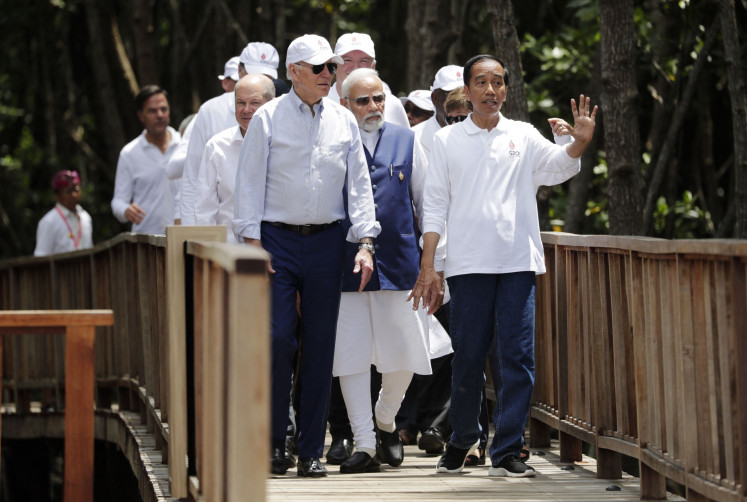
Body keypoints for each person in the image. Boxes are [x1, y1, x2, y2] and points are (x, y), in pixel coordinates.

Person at [409, 54, 597, 477]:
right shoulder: (445, 142)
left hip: (516, 263)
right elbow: (435, 206)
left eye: (497, 82)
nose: (490, 90)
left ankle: (509, 447)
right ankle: (462, 438)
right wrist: (429, 266)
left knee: (517, 358)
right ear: (467, 90)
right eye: (481, 82)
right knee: (469, 358)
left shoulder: (523, 134)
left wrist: (580, 141)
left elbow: (558, 164)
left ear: (506, 90)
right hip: (467, 265)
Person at [232, 34, 380, 478]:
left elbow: (359, 185)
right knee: (278, 341)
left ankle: (310, 451)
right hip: (275, 241)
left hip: (327, 242)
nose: (327, 75)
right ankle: (274, 442)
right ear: (293, 72)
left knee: (319, 348)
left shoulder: (343, 119)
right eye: (317, 68)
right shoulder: (268, 118)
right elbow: (249, 183)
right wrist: (252, 242)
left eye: (329, 68)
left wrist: (366, 242)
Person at [332, 68, 438, 474]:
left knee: (407, 351)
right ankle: (363, 443)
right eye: (363, 101)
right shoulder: (334, 144)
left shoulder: (407, 140)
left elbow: (427, 205)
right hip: (345, 263)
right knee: (352, 354)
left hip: (400, 262)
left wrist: (433, 265)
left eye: (378, 98)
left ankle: (385, 419)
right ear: (345, 105)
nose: (374, 107)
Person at [177, 42, 279, 226]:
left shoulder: (284, 117)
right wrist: (191, 239)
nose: (260, 81)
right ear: (239, 71)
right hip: (225, 241)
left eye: (267, 77)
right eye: (253, 73)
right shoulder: (211, 111)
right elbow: (192, 180)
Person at [193, 74, 275, 243]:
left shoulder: (286, 144)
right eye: (240, 103)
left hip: (278, 253)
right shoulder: (217, 147)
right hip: (229, 254)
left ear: (272, 103)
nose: (246, 110)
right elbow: (204, 210)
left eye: (254, 103)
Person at [111, 85, 180, 234]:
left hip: (183, 238)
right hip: (146, 241)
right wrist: (125, 210)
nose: (160, 115)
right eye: (152, 111)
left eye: (164, 109)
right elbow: (118, 201)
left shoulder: (184, 145)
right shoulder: (129, 153)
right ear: (141, 116)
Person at [327, 32, 409, 128]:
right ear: (335, 66)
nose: (355, 67)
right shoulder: (321, 106)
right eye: (347, 60)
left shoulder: (392, 105)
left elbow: (406, 141)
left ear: (373, 67)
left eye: (363, 61)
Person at [34, 170, 93, 256]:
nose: (74, 195)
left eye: (76, 190)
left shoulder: (85, 217)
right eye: (68, 191)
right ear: (57, 196)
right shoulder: (48, 222)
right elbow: (41, 257)